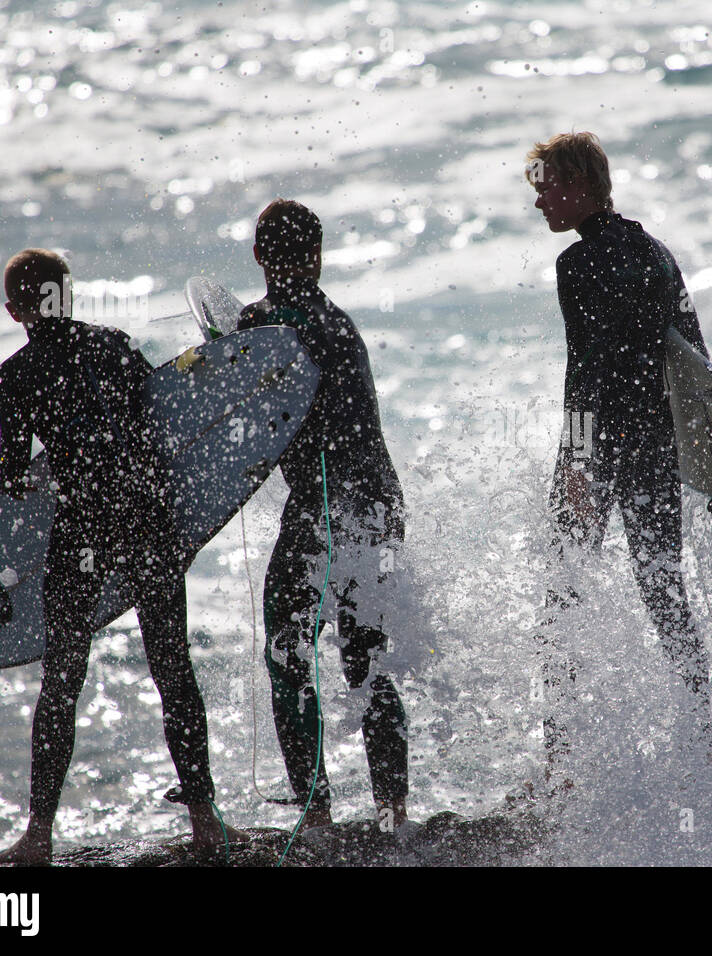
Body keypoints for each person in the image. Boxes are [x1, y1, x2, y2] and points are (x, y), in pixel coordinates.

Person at [0, 248, 248, 864]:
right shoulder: (113, 345)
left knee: (62, 681)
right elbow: (160, 424)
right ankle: (207, 823)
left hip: (85, 531)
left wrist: (20, 485)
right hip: (147, 520)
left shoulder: (17, 375)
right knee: (172, 668)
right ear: (69, 295)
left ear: (14, 310)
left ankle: (39, 835)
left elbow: (10, 473)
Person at [524, 132, 712, 776]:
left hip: (599, 450)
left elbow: (585, 373)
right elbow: (695, 359)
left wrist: (577, 465)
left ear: (579, 186)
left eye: (546, 185)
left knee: (563, 596)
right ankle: (703, 736)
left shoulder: (576, 266)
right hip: (654, 446)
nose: (540, 199)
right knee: (665, 590)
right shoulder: (656, 254)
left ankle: (561, 762)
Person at [239, 199, 409, 830]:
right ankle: (393, 811)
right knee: (367, 654)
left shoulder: (268, 326)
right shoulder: (340, 322)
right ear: (318, 256)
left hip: (325, 508)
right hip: (381, 503)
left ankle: (315, 813)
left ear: (259, 256)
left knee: (288, 648)